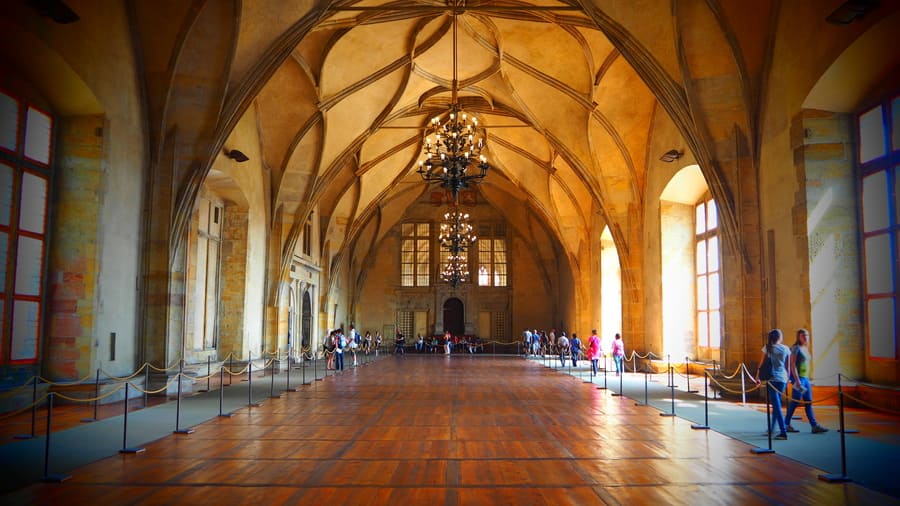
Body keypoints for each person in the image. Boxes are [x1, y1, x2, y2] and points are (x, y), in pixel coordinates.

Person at [785, 329, 829, 434]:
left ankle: (814, 426)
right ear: (798, 337)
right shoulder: (795, 348)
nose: (805, 337)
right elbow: (792, 365)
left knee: (808, 402)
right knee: (795, 402)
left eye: (807, 335)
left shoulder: (805, 348)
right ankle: (786, 424)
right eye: (803, 335)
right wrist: (796, 380)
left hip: (806, 379)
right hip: (799, 379)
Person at [754, 329, 791, 440]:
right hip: (782, 379)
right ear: (779, 337)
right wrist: (788, 378)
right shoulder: (786, 348)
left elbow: (761, 364)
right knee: (776, 405)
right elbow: (787, 367)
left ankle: (783, 431)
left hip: (772, 379)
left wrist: (757, 376)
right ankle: (772, 428)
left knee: (777, 406)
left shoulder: (767, 348)